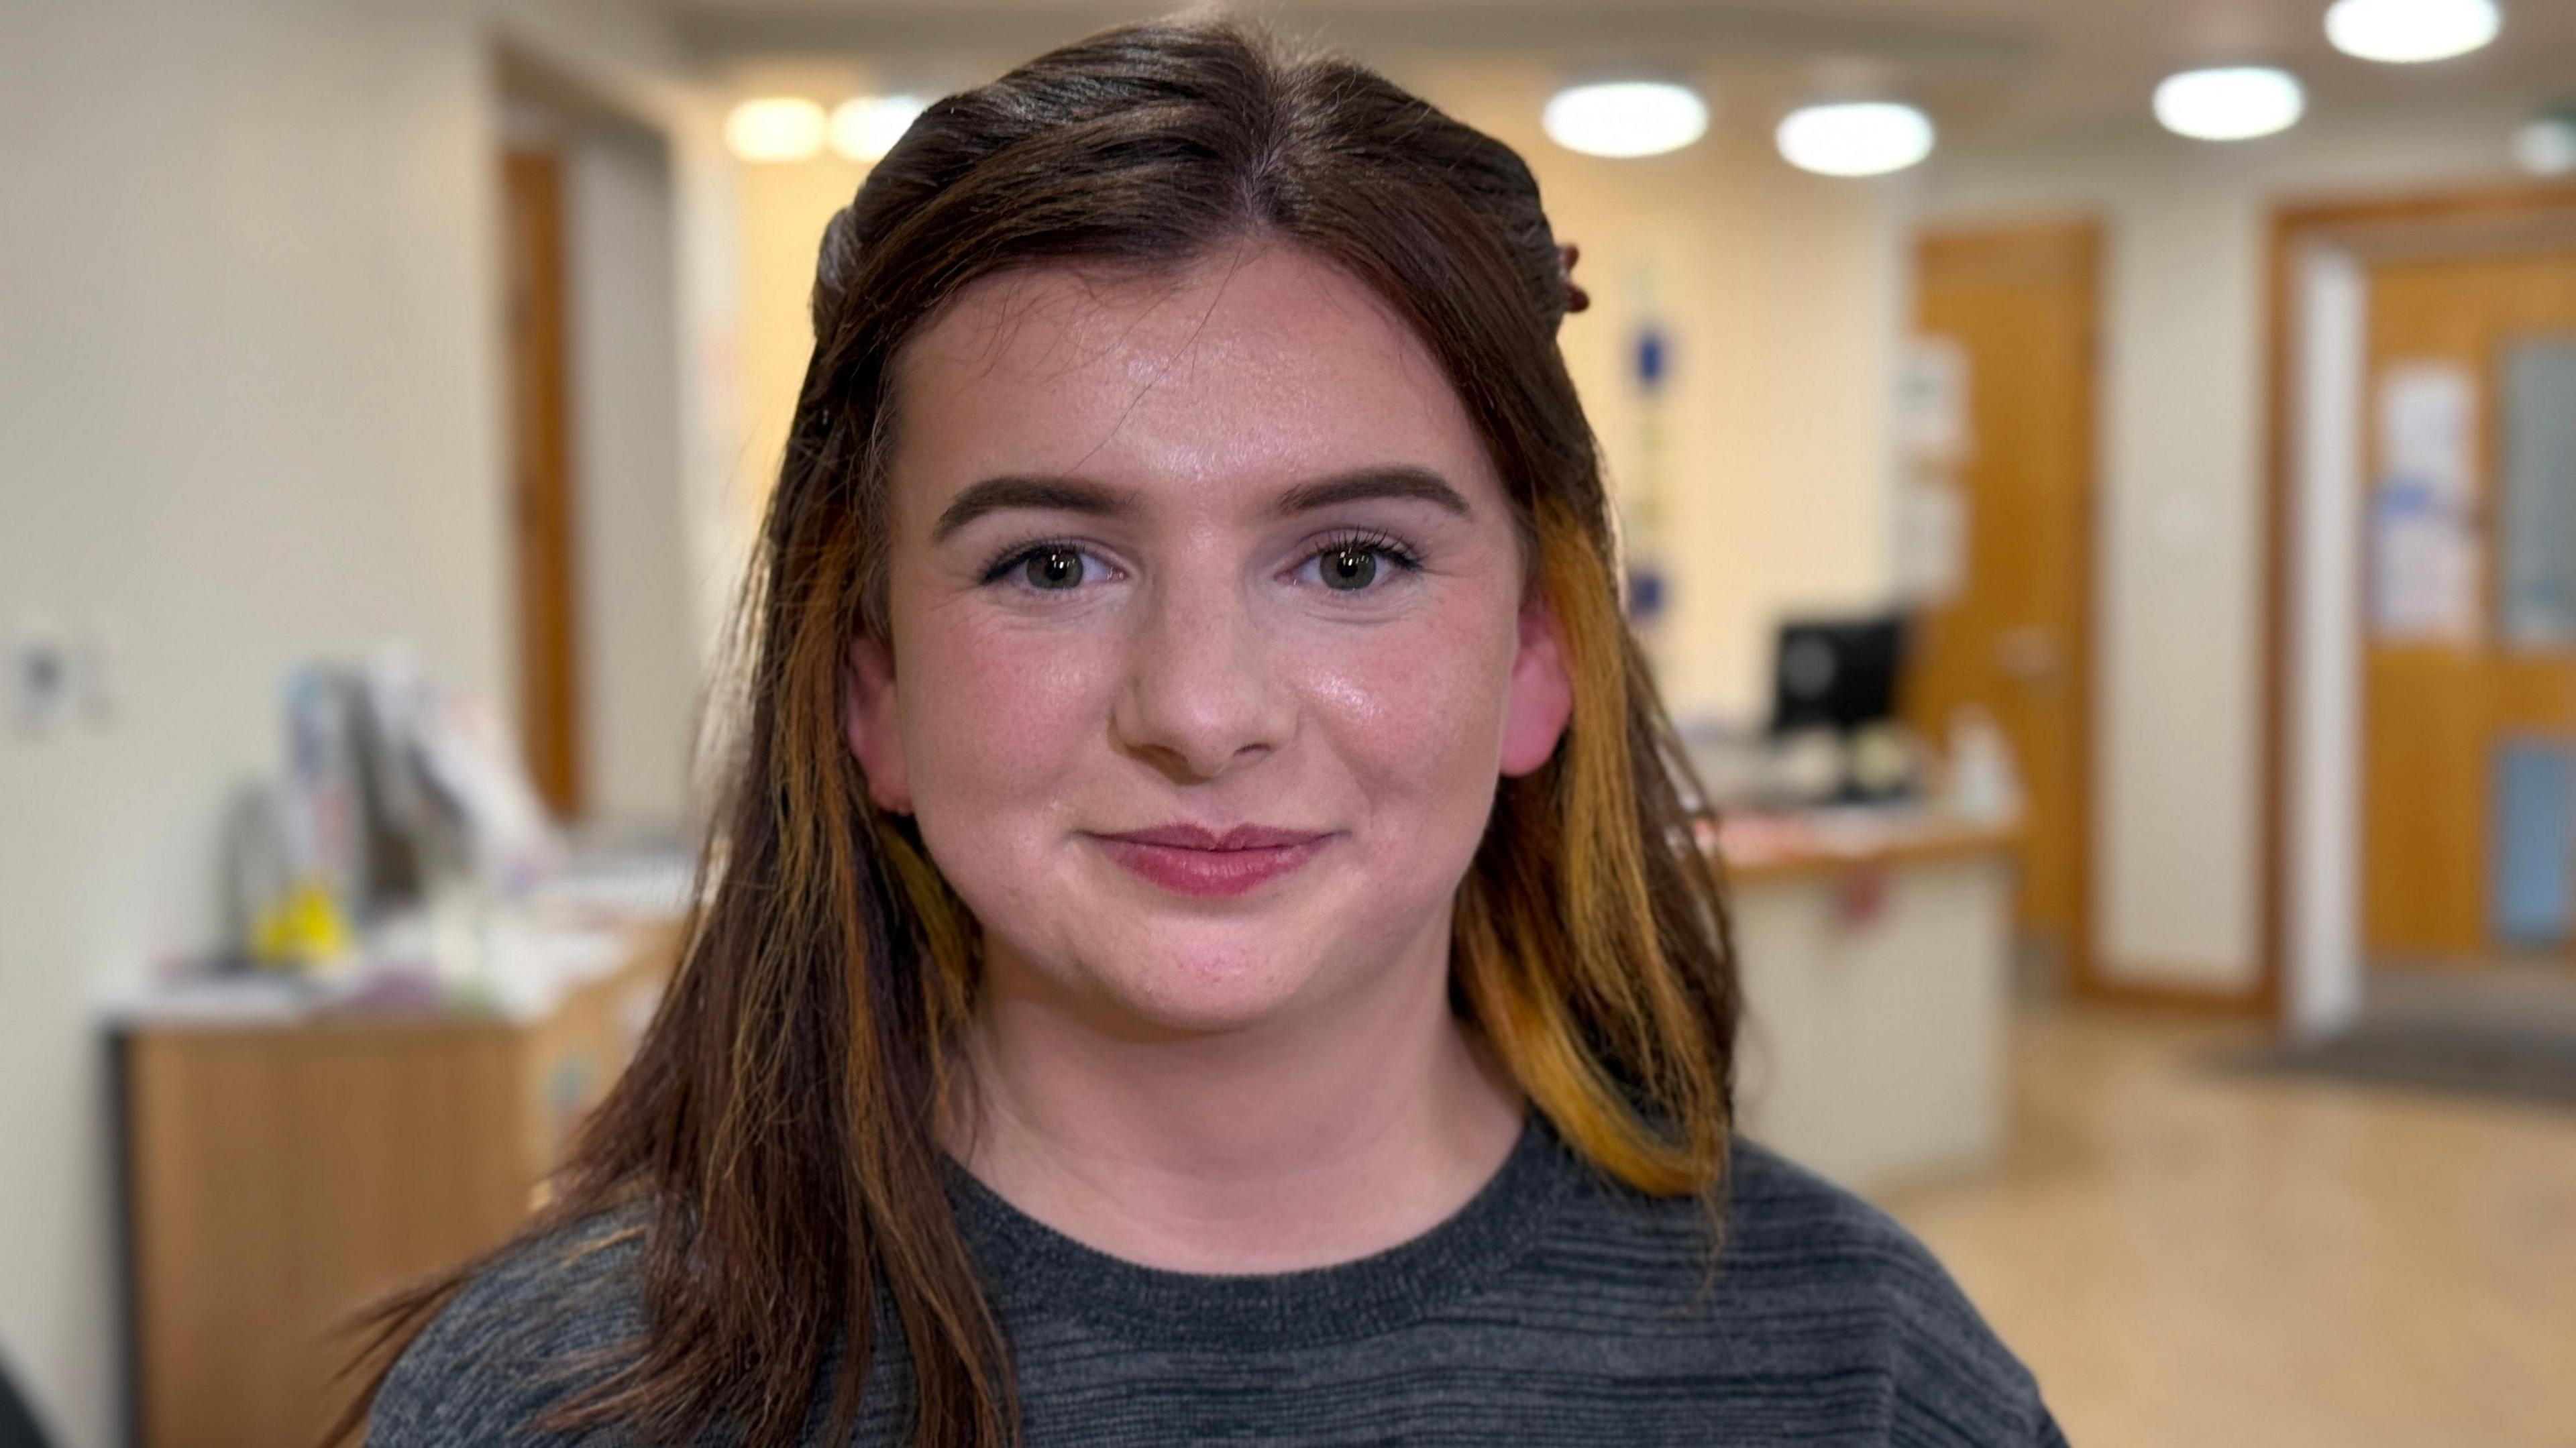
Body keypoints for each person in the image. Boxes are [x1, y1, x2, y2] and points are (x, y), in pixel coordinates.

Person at [345, 15, 2063, 1447]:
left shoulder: (1861, 1375)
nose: (1201, 712)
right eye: (1052, 564)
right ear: (871, 690)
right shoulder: (569, 1401)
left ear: (1541, 659)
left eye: (1353, 560)